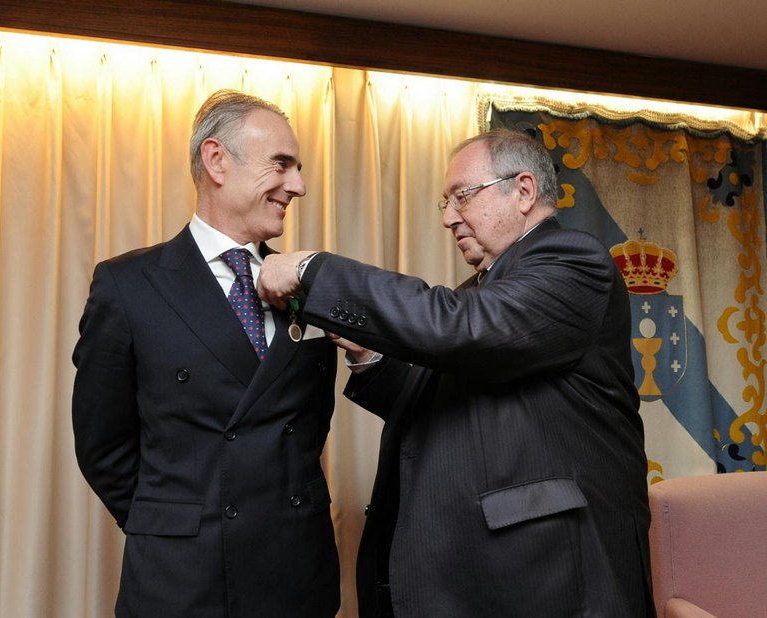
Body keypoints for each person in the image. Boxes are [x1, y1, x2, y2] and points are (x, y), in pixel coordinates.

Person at [258, 128, 657, 617]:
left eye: (461, 197)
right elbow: (444, 404)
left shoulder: (572, 260)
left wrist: (313, 269)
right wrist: (368, 355)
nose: (448, 218)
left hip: (549, 580)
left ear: (524, 191)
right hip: (484, 572)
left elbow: (463, 332)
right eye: (444, 203)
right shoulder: (483, 289)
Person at [72, 90, 340, 618]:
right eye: (281, 165)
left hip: (296, 576)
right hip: (182, 582)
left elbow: (309, 428)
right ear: (216, 160)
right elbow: (102, 444)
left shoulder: (307, 285)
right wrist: (176, 521)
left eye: (299, 168)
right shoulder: (128, 284)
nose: (299, 186)